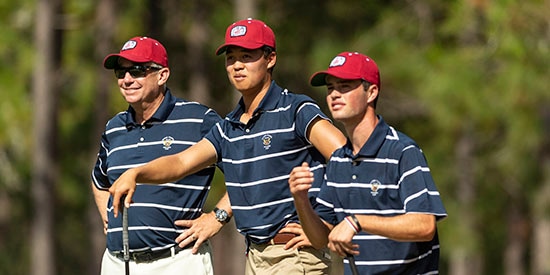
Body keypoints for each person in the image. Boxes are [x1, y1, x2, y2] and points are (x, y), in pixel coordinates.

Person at [108, 19, 347, 274]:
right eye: (231, 58)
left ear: (271, 59)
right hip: (255, 255)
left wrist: (329, 225)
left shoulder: (295, 110)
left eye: (247, 56)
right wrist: (136, 174)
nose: (237, 66)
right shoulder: (229, 126)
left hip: (294, 255)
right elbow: (181, 163)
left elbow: (346, 156)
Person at [288, 51, 448, 274]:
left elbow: (424, 225)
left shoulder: (402, 151)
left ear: (371, 92)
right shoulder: (338, 160)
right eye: (331, 88)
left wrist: (357, 221)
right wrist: (301, 199)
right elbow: (320, 238)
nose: (334, 94)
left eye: (344, 87)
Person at [91, 36, 224, 275]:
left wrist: (217, 217)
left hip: (178, 260)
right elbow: (99, 181)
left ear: (162, 75)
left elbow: (247, 168)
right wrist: (109, 220)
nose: (127, 80)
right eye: (121, 73)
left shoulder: (199, 119)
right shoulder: (114, 128)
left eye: (137, 71)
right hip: (117, 263)